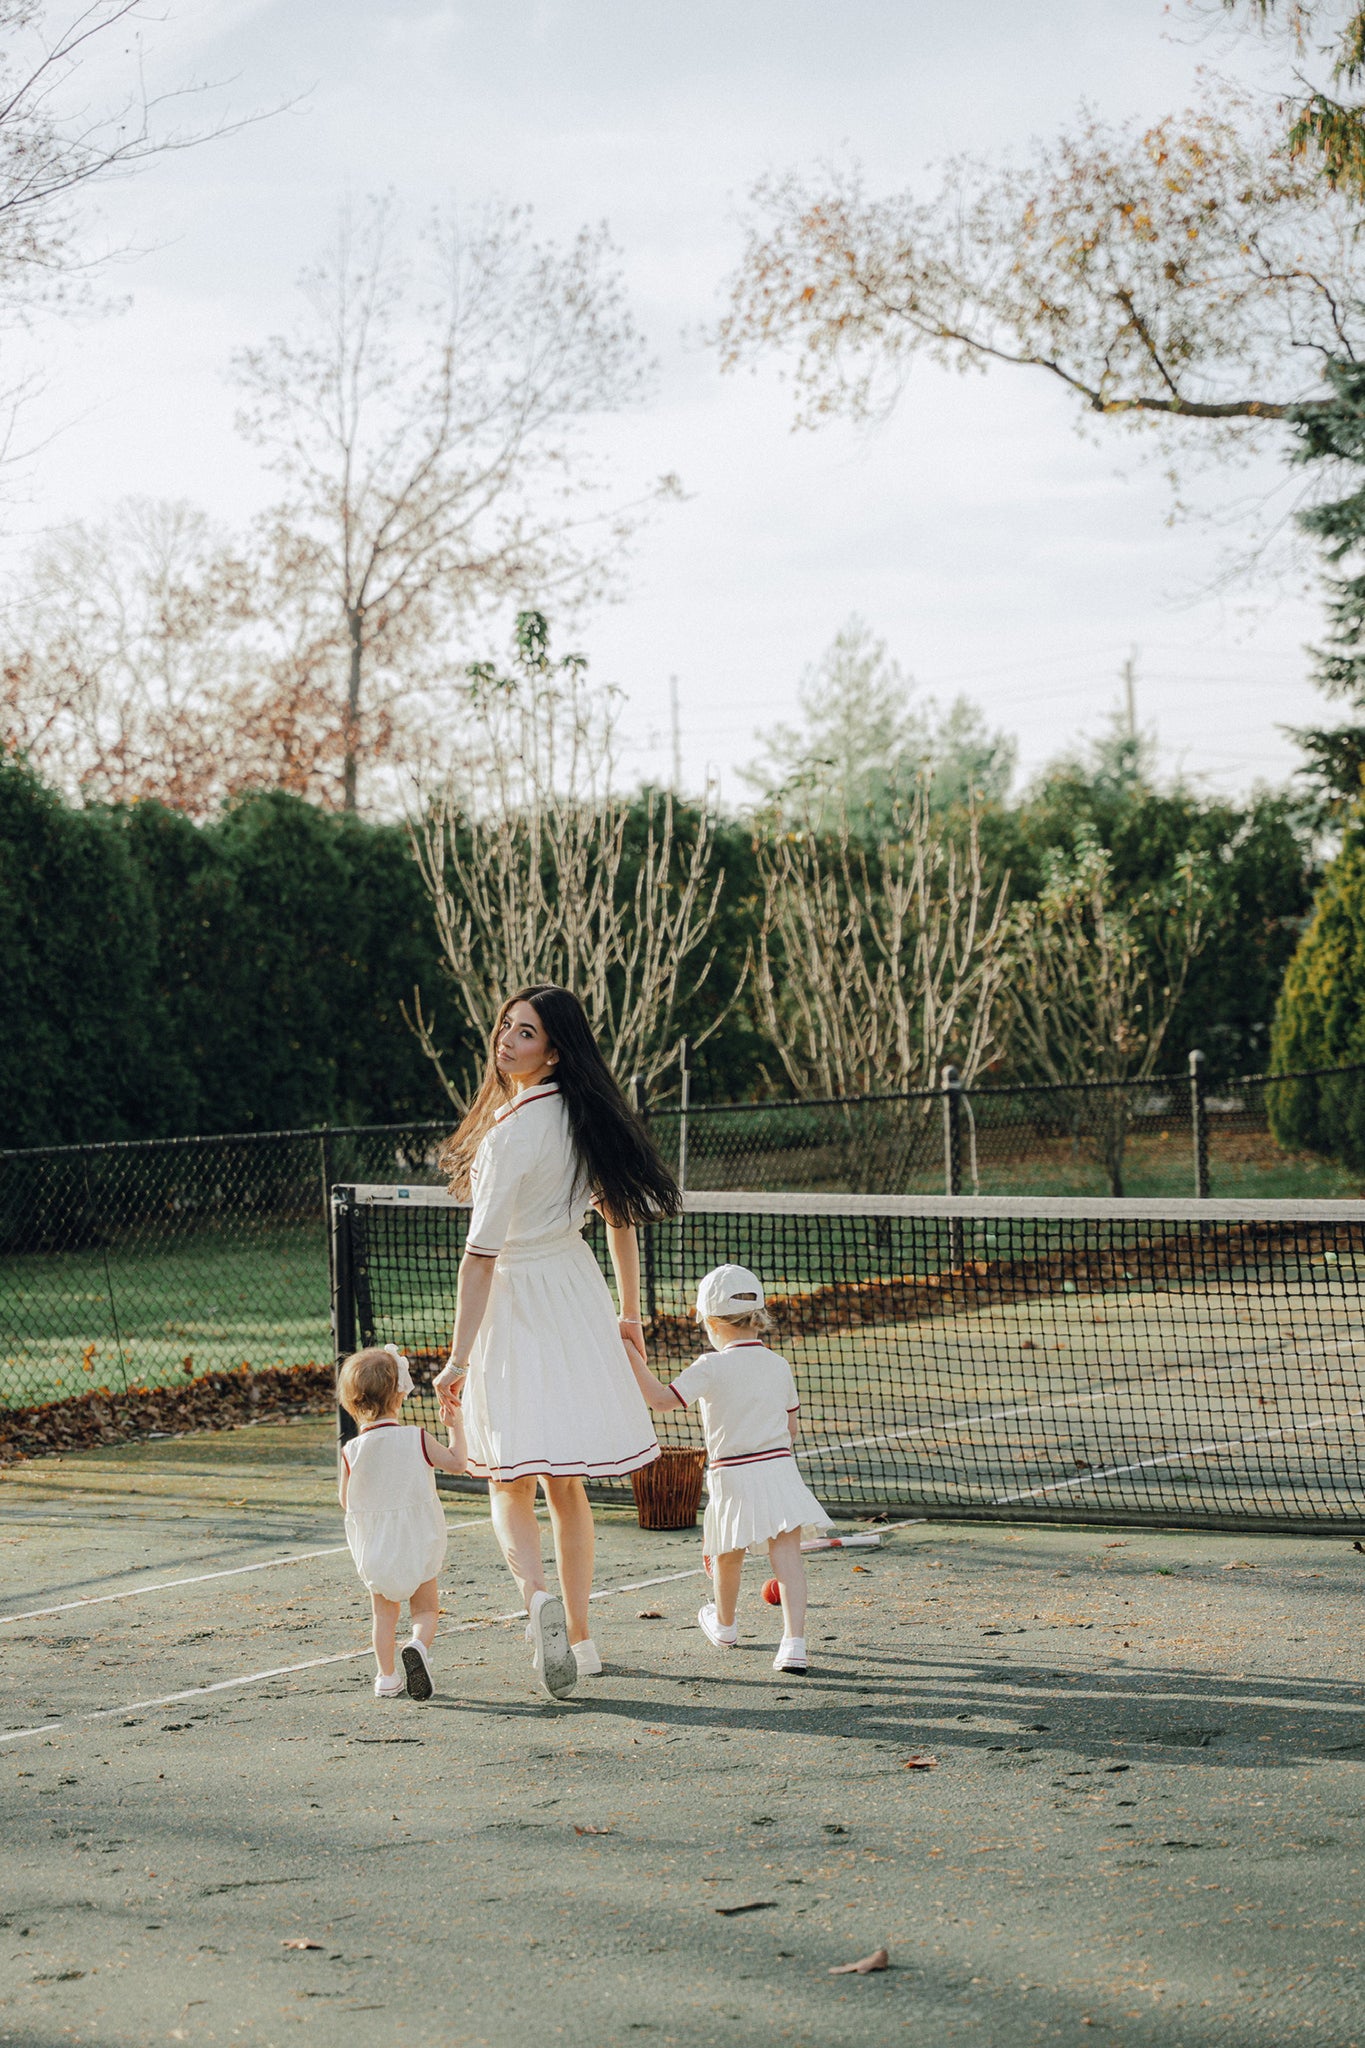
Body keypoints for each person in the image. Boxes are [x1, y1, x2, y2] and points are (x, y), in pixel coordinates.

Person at [432, 985, 681, 1699]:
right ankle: (580, 1637)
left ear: (555, 1050)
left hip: (517, 1299)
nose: (506, 1041)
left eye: (526, 1033)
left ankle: (535, 1599)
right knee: (565, 1482)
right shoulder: (587, 1117)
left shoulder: (511, 1132)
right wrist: (629, 1311)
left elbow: (480, 1257)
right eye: (505, 1026)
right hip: (574, 1292)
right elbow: (619, 1217)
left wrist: (455, 1359)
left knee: (508, 1479)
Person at [626, 1263, 832, 1675]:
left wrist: (628, 1352)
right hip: (779, 1469)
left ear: (712, 1321)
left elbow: (661, 1400)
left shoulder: (709, 1365)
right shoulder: (779, 1365)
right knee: (787, 1556)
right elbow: (791, 1427)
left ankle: (725, 1626)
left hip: (731, 1475)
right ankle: (794, 1644)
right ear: (758, 1316)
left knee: (726, 1555)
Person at [338, 1343, 468, 1700]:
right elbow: (458, 1463)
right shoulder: (417, 1438)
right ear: (399, 1395)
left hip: (377, 1549)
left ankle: (387, 1677)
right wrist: (455, 1426)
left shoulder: (351, 1451)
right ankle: (418, 1647)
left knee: (383, 1616)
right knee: (425, 1608)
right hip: (419, 1541)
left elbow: (345, 1501)